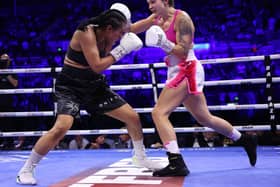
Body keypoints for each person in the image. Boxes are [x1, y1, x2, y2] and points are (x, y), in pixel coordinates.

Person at [16, 7, 162, 185]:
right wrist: (121, 51)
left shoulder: (111, 28)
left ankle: (140, 157)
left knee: (132, 117)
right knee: (62, 127)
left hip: (95, 86)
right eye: (118, 34)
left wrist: (154, 18)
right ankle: (27, 169)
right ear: (109, 29)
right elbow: (97, 65)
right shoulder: (86, 32)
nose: (120, 37)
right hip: (71, 86)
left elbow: (133, 28)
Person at [129, 0, 257, 176]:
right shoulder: (156, 17)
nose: (150, 6)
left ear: (165, 0)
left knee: (159, 112)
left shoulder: (182, 19)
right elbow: (133, 28)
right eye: (148, 2)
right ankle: (245, 139)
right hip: (175, 69)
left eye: (153, 1)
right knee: (205, 118)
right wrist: (117, 20)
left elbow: (183, 50)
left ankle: (176, 162)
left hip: (187, 69)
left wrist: (163, 43)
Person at [0, 53, 18, 150]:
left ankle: (9, 142)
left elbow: (15, 84)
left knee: (8, 123)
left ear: (9, 61)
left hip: (8, 101)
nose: (3, 61)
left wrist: (6, 74)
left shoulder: (12, 71)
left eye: (5, 59)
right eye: (2, 59)